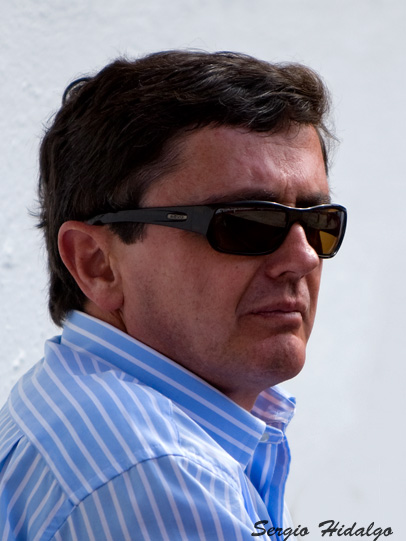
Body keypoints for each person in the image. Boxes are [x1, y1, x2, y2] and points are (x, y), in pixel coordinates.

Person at [0, 50, 347, 540]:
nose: (304, 258)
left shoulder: (74, 405)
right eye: (244, 223)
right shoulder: (156, 472)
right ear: (97, 263)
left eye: (318, 223)